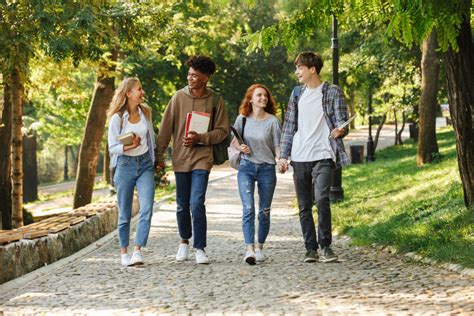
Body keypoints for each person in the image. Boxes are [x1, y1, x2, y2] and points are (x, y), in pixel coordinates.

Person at [278, 52, 350, 263]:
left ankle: (326, 246)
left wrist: (340, 131)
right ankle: (310, 249)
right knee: (304, 205)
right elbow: (289, 126)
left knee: (322, 198)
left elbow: (342, 121)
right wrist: (284, 155)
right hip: (300, 156)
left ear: (312, 69)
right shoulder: (297, 94)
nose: (297, 72)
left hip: (323, 154)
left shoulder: (332, 91)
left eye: (300, 68)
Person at [156, 55, 229, 264]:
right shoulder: (178, 98)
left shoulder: (215, 100)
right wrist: (159, 155)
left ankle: (200, 247)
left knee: (197, 202)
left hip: (202, 158)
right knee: (181, 204)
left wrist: (202, 138)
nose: (190, 78)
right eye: (189, 74)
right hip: (181, 158)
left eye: (195, 76)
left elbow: (223, 130)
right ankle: (184, 241)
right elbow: (165, 129)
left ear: (205, 78)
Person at [107, 77, 157, 267]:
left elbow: (151, 139)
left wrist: (154, 158)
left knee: (146, 208)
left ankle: (137, 251)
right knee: (125, 213)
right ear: (128, 93)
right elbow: (112, 147)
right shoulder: (117, 118)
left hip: (144, 164)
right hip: (125, 166)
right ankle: (124, 253)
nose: (142, 92)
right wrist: (130, 146)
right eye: (139, 89)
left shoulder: (146, 112)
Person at [231, 84, 281, 265]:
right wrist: (240, 147)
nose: (263, 98)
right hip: (246, 168)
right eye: (259, 95)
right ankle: (249, 249)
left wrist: (281, 159)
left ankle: (259, 247)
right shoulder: (242, 119)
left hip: (267, 169)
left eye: (265, 96)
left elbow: (277, 146)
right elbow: (234, 142)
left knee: (264, 212)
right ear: (251, 99)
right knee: (249, 209)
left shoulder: (273, 121)